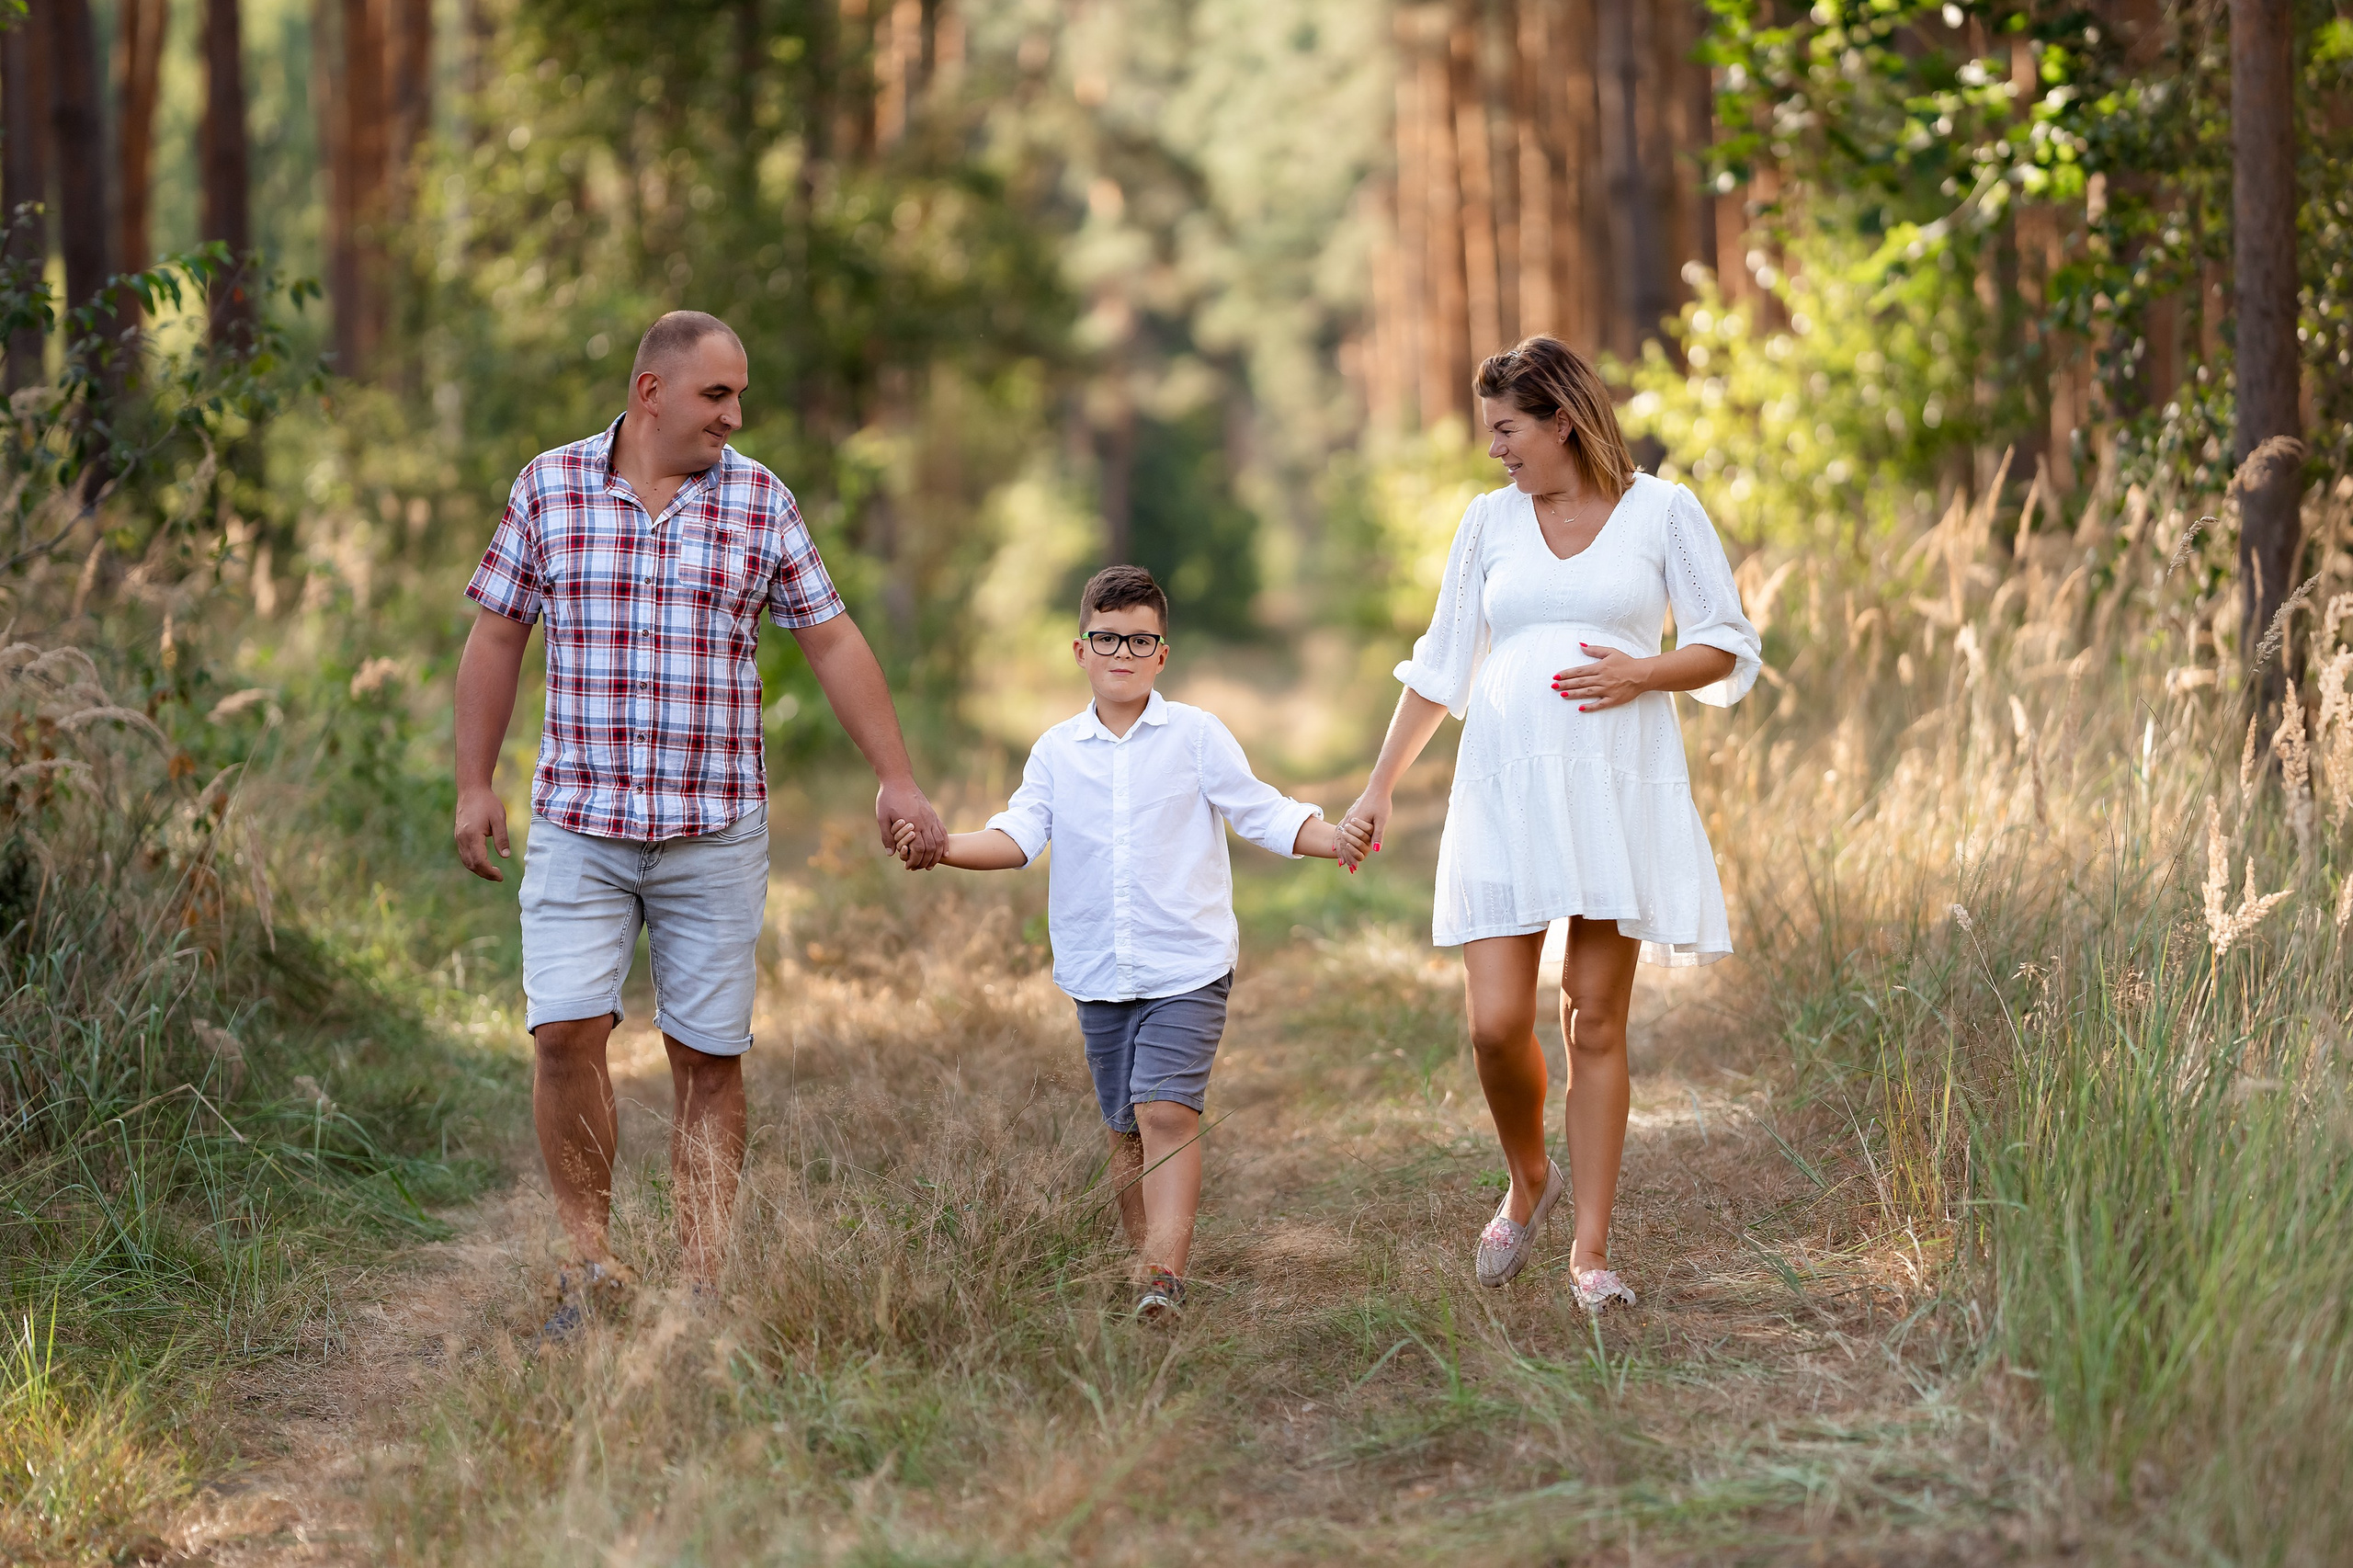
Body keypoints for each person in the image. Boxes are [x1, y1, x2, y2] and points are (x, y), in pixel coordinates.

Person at [452, 311, 948, 1335]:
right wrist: (474, 782)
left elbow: (833, 638)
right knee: (562, 1032)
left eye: (740, 396)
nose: (734, 414)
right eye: (717, 395)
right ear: (650, 392)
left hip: (714, 827)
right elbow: (497, 635)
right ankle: (590, 1266)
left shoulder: (761, 500)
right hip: (580, 819)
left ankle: (702, 1288)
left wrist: (895, 776)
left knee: (708, 1057)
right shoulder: (549, 486)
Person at [1336, 335, 1758, 1312]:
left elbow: (1724, 643)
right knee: (1493, 1026)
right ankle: (1530, 1175)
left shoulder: (1662, 510)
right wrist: (1375, 787)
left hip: (1615, 785)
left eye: (1506, 429)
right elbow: (1441, 668)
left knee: (1595, 1018)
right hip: (1504, 789)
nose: (1496, 450)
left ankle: (1591, 1251)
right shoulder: (1488, 522)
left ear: (1561, 418)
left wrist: (1639, 669)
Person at [892, 565, 1344, 1324]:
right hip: (1098, 969)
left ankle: (1166, 1275)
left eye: (1140, 640)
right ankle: (1143, 1269)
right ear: (1081, 649)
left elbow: (1260, 810)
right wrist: (941, 848)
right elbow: (1017, 837)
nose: (1123, 653)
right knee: (1126, 1129)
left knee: (1166, 1110)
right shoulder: (1056, 752)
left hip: (1186, 963)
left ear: (1162, 653)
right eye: (1108, 639)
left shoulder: (1196, 735)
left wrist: (1334, 837)